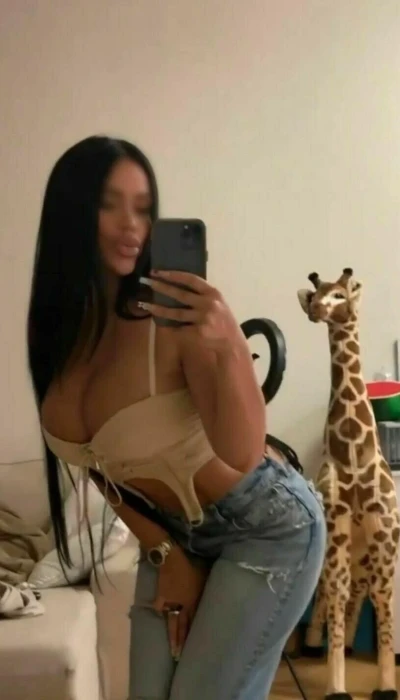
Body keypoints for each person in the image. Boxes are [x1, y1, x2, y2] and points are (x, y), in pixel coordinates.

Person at [27, 135, 326, 700]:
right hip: (174, 535)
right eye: (109, 204)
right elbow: (99, 467)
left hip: (265, 526)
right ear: (71, 210)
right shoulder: (58, 345)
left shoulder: (170, 319)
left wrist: (228, 340)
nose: (131, 225)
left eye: (143, 208)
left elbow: (242, 452)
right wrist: (165, 552)